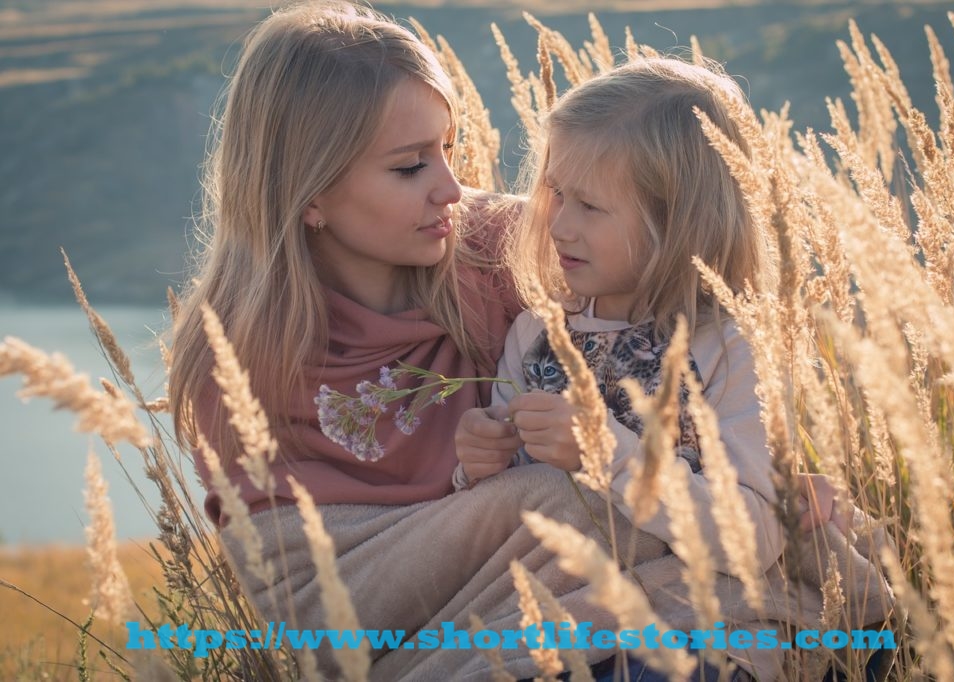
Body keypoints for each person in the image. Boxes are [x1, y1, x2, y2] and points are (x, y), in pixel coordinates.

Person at [166, 3, 707, 681]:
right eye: (408, 167)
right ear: (308, 194)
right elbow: (290, 584)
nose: (451, 188)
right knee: (552, 504)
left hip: (526, 575)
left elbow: (683, 316)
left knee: (573, 512)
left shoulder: (496, 250)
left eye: (447, 149)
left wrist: (757, 470)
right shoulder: (238, 344)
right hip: (362, 592)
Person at [453, 58, 895, 680]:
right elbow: (512, 514)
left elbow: (753, 539)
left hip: (708, 623)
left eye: (590, 205)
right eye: (554, 192)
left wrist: (606, 451)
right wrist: (476, 464)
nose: (558, 222)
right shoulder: (537, 336)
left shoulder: (729, 350)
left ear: (676, 221)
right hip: (575, 614)